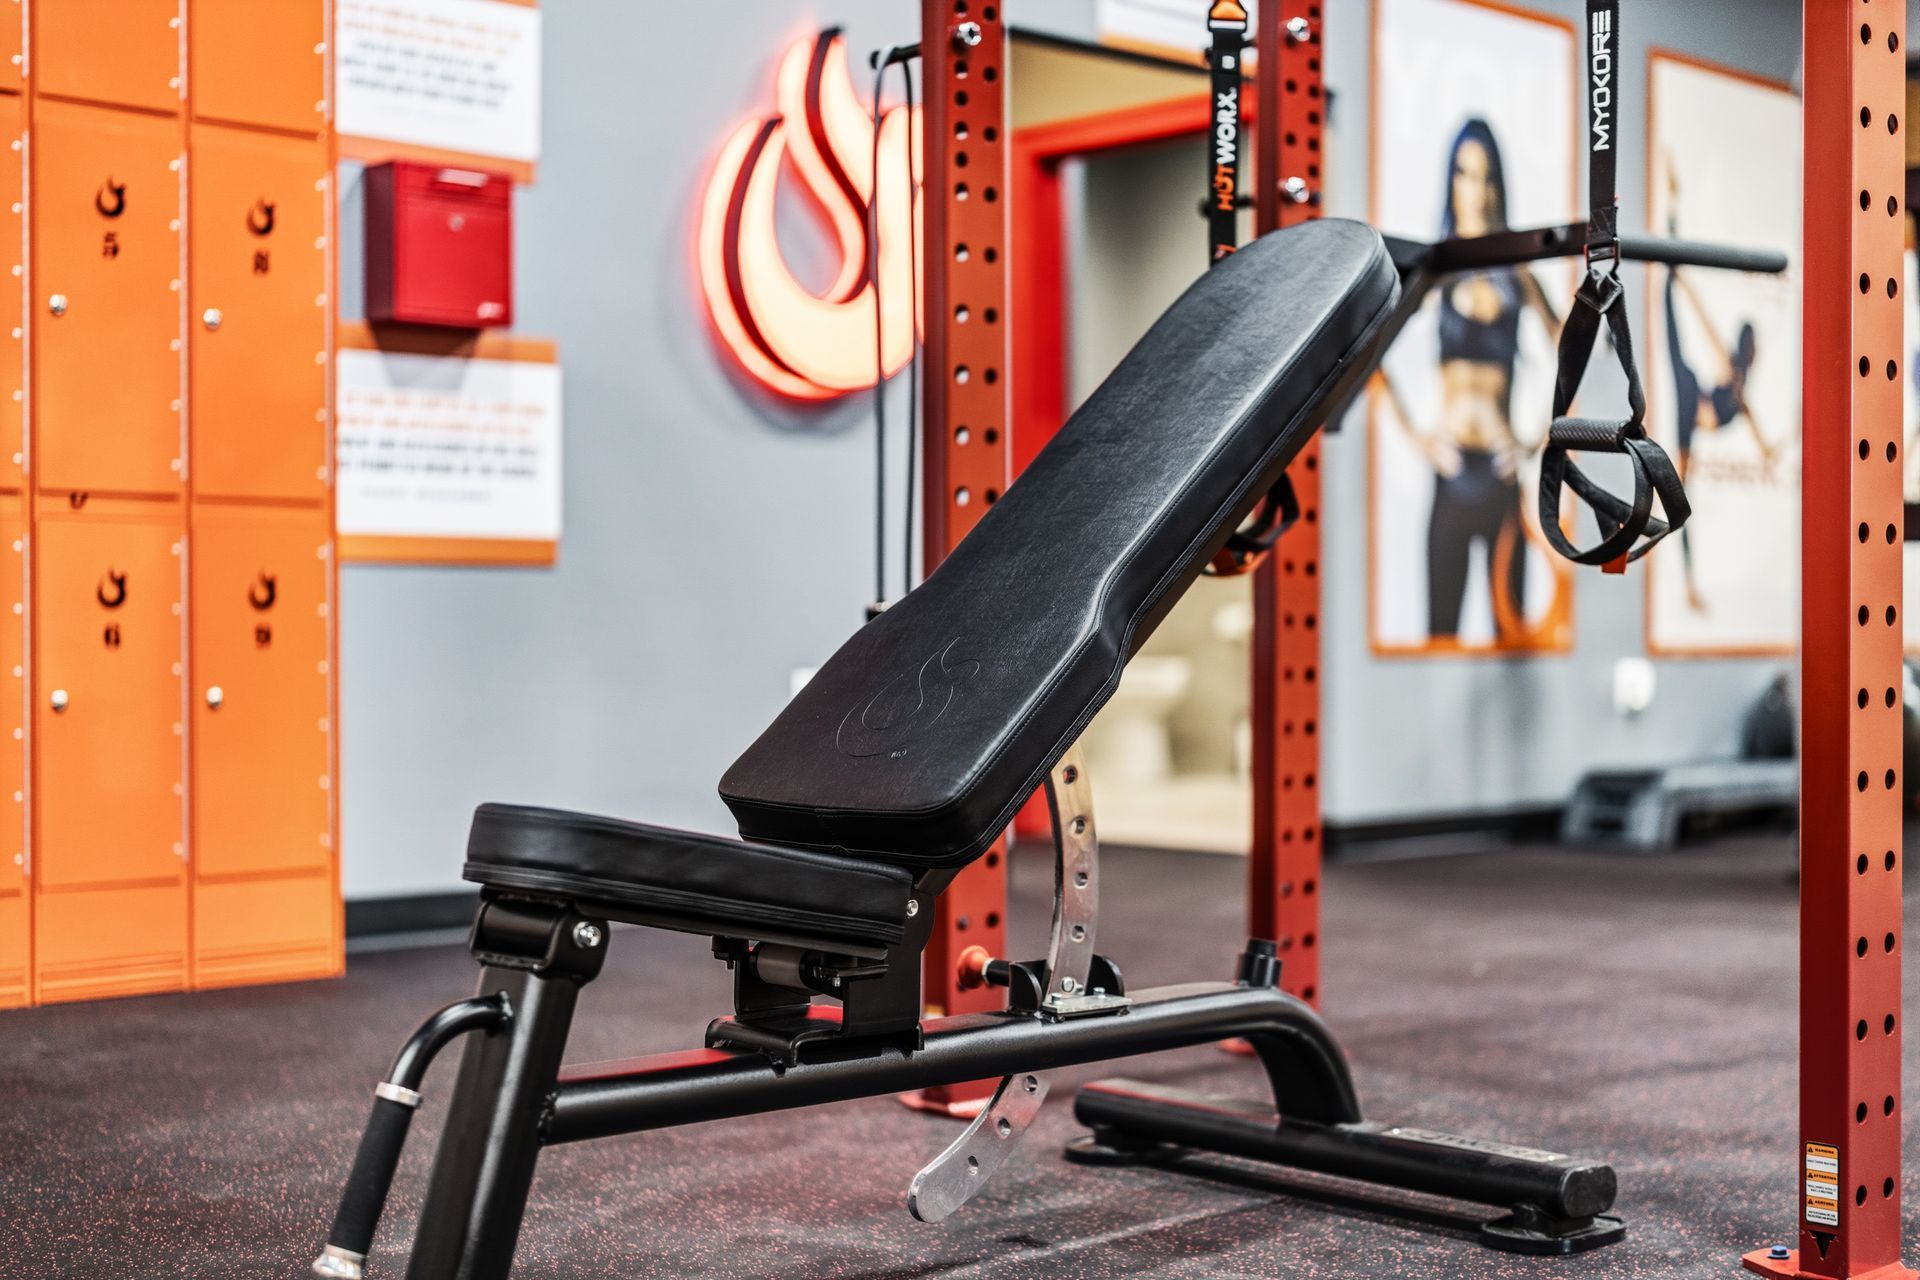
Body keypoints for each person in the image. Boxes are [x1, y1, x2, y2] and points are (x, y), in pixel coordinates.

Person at [1376, 118, 1562, 642]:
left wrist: (1538, 440)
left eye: (1485, 176)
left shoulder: (1516, 271)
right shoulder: (1437, 268)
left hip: (1504, 480)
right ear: (1450, 180)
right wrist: (1418, 437)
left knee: (1514, 642)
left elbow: (1575, 348)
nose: (1475, 190)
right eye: (1464, 174)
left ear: (1497, 184)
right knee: (1441, 637)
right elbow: (1371, 350)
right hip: (1452, 474)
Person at [1660, 150, 1769, 612]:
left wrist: (1772, 450)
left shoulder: (1738, 390)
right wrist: (1686, 287)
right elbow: (1702, 326)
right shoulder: (1734, 384)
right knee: (1670, 313)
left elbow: (1763, 437)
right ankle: (1671, 224)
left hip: (1691, 412)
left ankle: (1671, 233)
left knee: (1678, 502)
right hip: (1691, 397)